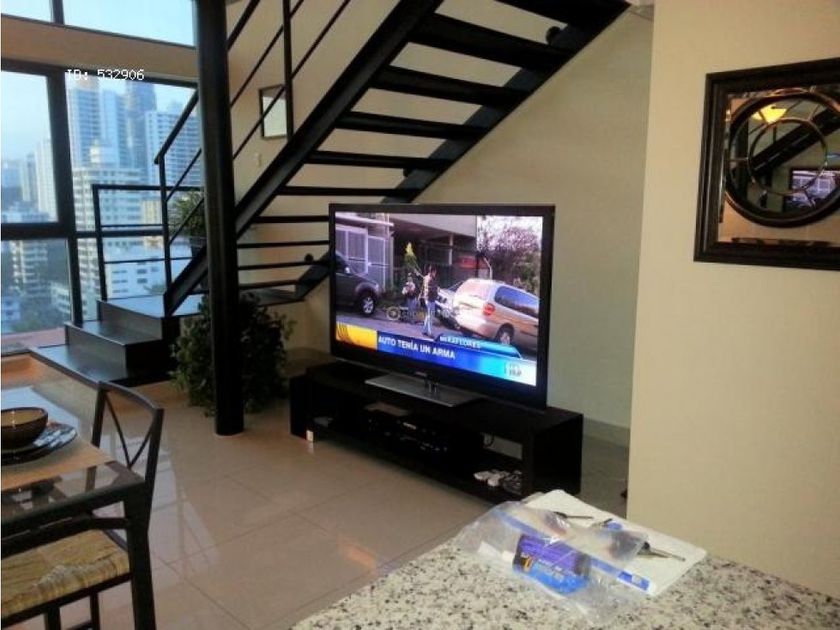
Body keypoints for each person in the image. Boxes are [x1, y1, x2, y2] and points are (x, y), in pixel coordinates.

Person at [421, 266, 438, 338]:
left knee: (429, 316)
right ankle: (430, 333)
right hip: (430, 299)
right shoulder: (430, 279)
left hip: (429, 299)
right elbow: (429, 288)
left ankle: (424, 330)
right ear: (432, 272)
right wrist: (436, 289)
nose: (435, 273)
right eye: (435, 272)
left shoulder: (426, 277)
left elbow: (424, 287)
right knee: (430, 316)